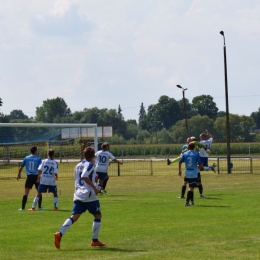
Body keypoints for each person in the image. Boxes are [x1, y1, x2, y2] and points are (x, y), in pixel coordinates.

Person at [54, 146, 105, 249]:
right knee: (98, 216)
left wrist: (93, 178)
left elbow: (77, 179)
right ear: (93, 156)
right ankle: (94, 240)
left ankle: (60, 233)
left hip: (78, 194)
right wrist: (95, 188)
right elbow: (84, 176)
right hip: (89, 195)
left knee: (74, 217)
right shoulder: (90, 164)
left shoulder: (77, 165)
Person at [17, 146, 43, 211]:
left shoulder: (26, 158)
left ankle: (22, 208)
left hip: (29, 177)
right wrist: (40, 176)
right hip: (36, 176)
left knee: (26, 192)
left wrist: (18, 175)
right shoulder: (38, 158)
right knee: (39, 191)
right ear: (36, 151)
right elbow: (41, 168)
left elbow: (21, 167)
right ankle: (39, 207)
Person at [179, 142, 202, 206]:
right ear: (194, 147)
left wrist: (179, 171)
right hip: (193, 173)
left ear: (188, 147)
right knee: (191, 188)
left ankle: (192, 201)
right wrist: (199, 167)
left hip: (187, 172)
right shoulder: (196, 154)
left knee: (190, 186)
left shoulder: (185, 154)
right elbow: (200, 163)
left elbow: (180, 162)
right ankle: (187, 202)